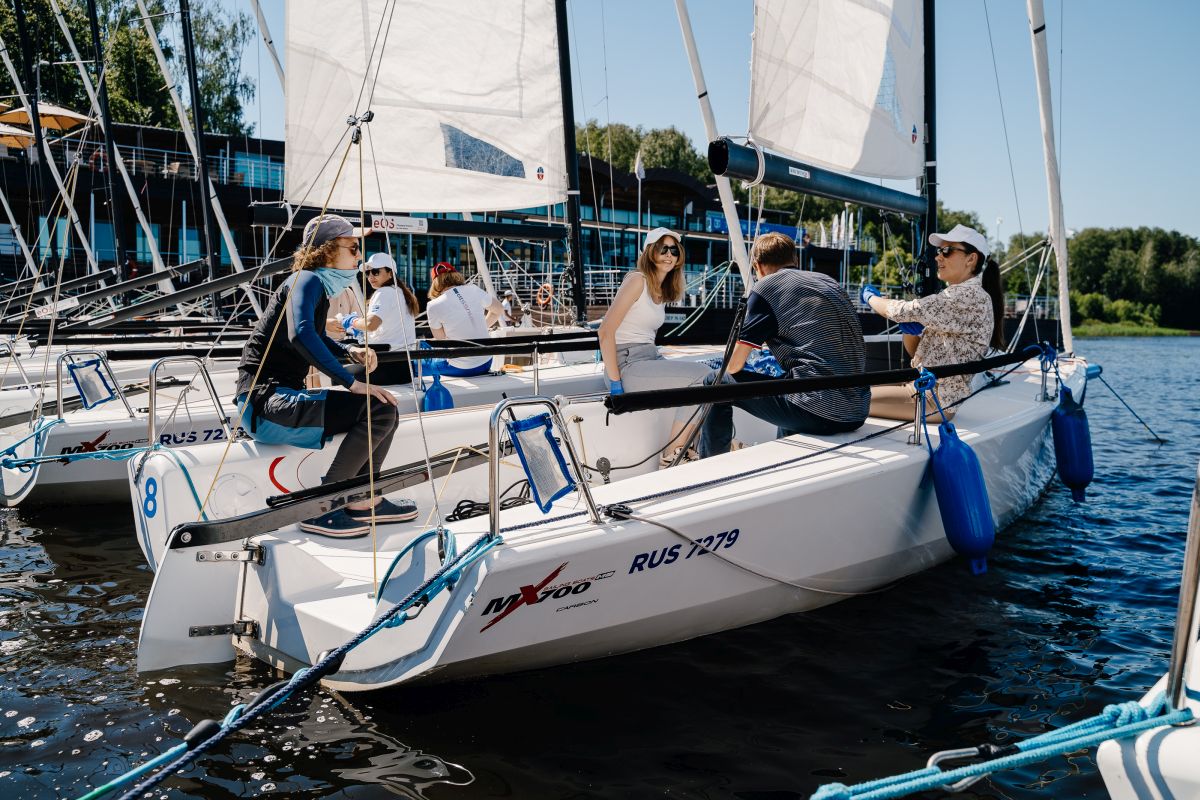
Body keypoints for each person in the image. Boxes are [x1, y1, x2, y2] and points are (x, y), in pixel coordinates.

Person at [235, 214, 416, 537]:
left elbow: (315, 335)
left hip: (274, 401)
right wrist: (352, 382)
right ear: (328, 249)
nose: (359, 256)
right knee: (375, 406)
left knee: (384, 407)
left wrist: (349, 352)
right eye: (353, 247)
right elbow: (301, 335)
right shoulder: (306, 280)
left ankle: (364, 498)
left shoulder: (312, 285)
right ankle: (320, 507)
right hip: (264, 402)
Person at [699, 232, 869, 458]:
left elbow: (733, 366)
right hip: (857, 410)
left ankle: (709, 466)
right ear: (795, 260)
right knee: (790, 381)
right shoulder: (829, 282)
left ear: (757, 267)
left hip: (821, 411)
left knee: (715, 383)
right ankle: (785, 457)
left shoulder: (767, 287)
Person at [860, 223, 1005, 420]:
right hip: (925, 391)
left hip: (933, 399)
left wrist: (869, 298)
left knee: (851, 399)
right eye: (939, 251)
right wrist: (912, 331)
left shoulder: (968, 296)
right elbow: (918, 354)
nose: (938, 257)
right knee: (851, 390)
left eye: (947, 251)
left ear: (971, 259)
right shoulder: (960, 296)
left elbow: (898, 310)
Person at [598, 227, 711, 466]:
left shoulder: (659, 289)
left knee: (711, 373)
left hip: (648, 359)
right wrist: (616, 385)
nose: (669, 255)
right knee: (705, 376)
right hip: (625, 364)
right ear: (650, 252)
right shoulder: (637, 280)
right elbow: (605, 331)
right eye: (663, 249)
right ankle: (673, 454)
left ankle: (691, 448)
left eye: (674, 250)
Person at [337, 251, 420, 385]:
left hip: (384, 365)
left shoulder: (384, 292)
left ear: (390, 273)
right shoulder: (401, 293)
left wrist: (351, 321)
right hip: (403, 367)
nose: (370, 276)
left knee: (335, 372)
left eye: (375, 271)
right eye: (367, 273)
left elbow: (371, 325)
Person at [424, 262, 504, 377]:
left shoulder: (433, 305)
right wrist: (481, 327)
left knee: (420, 364)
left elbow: (441, 339)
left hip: (460, 367)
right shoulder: (474, 289)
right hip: (486, 362)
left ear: (435, 282)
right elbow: (499, 309)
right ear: (455, 274)